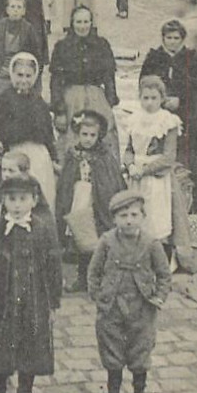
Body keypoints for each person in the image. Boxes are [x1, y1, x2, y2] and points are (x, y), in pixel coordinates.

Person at [0, 174, 63, 393]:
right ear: (3, 200)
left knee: (28, 358)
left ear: (34, 200)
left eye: (23, 199)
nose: (16, 205)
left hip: (32, 304)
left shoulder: (43, 230)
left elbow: (53, 268)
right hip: (1, 305)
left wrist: (53, 304)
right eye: (11, 199)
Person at [88, 189, 171, 393]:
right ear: (114, 219)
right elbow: (94, 271)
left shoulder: (152, 244)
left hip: (141, 309)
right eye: (123, 215)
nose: (129, 220)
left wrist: (159, 297)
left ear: (143, 217)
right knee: (112, 356)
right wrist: (97, 295)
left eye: (134, 214)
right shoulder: (106, 242)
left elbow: (164, 274)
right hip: (111, 308)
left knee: (139, 357)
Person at [139, 20, 197, 213]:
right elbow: (144, 83)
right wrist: (160, 100)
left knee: (187, 156)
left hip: (186, 116)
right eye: (168, 38)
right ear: (163, 38)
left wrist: (181, 99)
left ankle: (191, 201)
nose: (172, 42)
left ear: (182, 39)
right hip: (159, 113)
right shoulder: (154, 58)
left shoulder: (192, 58)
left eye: (176, 38)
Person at [123, 75, 192, 264]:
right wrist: (130, 165)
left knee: (157, 218)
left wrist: (144, 170)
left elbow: (168, 157)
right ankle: (138, 259)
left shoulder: (168, 121)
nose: (149, 103)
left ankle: (161, 263)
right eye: (145, 98)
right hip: (135, 177)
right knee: (137, 216)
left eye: (154, 98)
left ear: (162, 98)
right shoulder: (134, 119)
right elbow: (128, 149)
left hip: (156, 179)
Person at [56, 110, 126, 292]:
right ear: (78, 134)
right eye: (84, 135)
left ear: (99, 135)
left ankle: (99, 278)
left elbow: (110, 181)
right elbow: (65, 181)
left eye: (92, 135)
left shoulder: (104, 156)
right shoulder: (73, 154)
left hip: (97, 202)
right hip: (79, 199)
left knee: (98, 237)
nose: (88, 139)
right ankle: (82, 278)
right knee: (80, 237)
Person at [0, 52, 58, 210]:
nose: (23, 80)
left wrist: (53, 156)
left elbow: (48, 133)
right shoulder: (3, 100)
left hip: (38, 157)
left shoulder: (39, 102)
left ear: (35, 76)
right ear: (12, 74)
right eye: (19, 75)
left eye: (28, 76)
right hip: (14, 155)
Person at [49, 6, 120, 159]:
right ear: (72, 23)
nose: (82, 26)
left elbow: (109, 75)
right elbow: (55, 79)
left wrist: (110, 101)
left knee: (104, 134)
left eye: (86, 22)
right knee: (72, 137)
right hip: (71, 97)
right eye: (78, 22)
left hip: (96, 97)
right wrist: (59, 110)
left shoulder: (101, 45)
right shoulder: (62, 46)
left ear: (91, 23)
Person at [0, 0, 42, 96]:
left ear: (24, 11)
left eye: (19, 7)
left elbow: (36, 53)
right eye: (12, 7)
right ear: (7, 10)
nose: (15, 10)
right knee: (0, 102)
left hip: (21, 72)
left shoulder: (28, 29)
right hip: (3, 71)